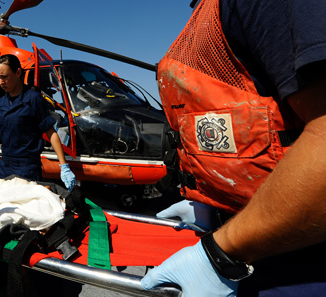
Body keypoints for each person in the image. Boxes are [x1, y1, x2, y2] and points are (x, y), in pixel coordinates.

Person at [140, 0, 326, 296]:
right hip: (251, 243)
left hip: (299, 263)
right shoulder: (213, 11)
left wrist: (217, 257)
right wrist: (215, 210)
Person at [0, 54, 76, 191]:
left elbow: (51, 133)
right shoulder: (1, 104)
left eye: (4, 77)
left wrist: (63, 166)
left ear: (18, 73)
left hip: (28, 168)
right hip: (5, 166)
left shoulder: (33, 99)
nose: (0, 82)